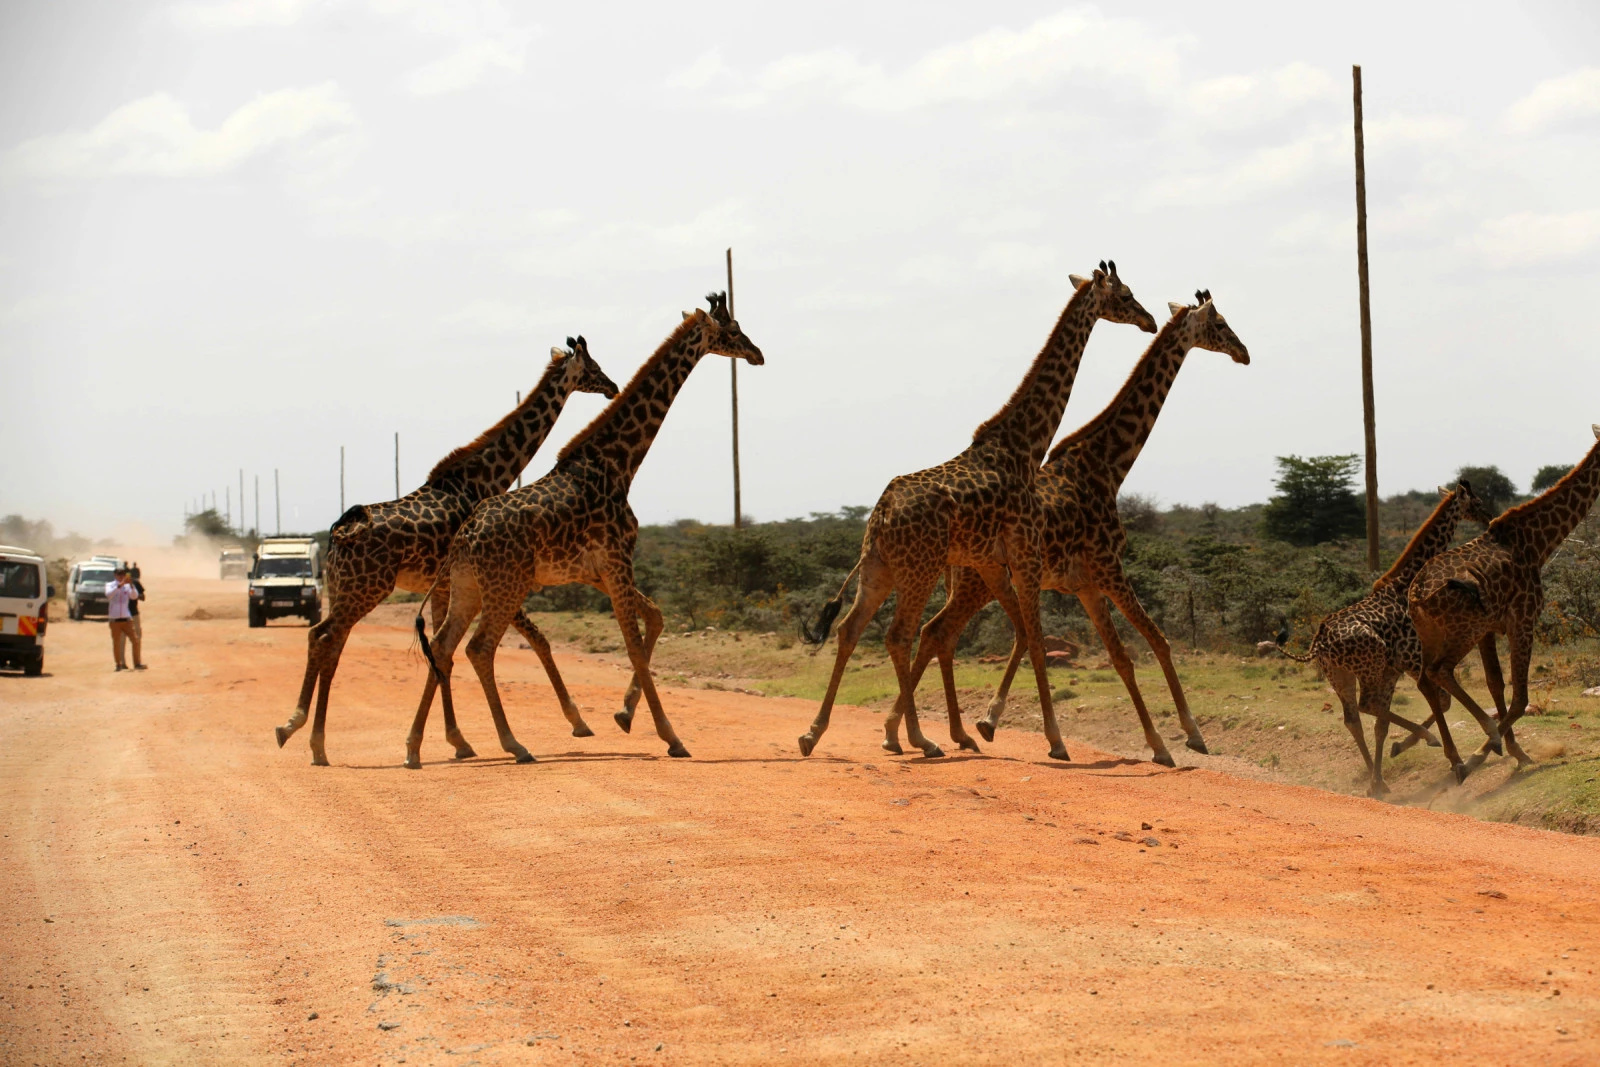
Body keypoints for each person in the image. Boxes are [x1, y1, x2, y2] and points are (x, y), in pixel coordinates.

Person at [106, 567, 145, 671]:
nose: (121, 576)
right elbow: (109, 595)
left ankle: (137, 663)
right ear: (115, 575)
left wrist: (131, 585)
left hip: (126, 618)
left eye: (123, 574)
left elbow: (134, 596)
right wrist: (120, 585)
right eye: (119, 574)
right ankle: (119, 664)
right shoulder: (110, 585)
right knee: (117, 643)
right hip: (114, 619)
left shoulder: (127, 586)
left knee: (135, 640)